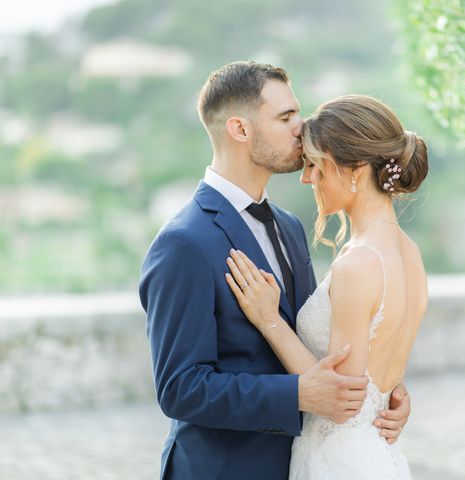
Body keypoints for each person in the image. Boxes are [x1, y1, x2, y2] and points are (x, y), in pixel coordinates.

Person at [139, 62, 411, 480]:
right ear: (240, 130)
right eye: (285, 118)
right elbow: (180, 388)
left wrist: (382, 392)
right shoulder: (184, 242)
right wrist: (299, 394)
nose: (301, 127)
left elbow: (319, 342)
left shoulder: (288, 226)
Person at [225, 94, 429, 479]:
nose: (307, 178)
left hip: (340, 462)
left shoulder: (359, 263)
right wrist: (392, 393)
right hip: (375, 454)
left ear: (353, 169)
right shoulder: (410, 253)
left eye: (315, 166)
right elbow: (374, 370)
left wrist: (270, 321)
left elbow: (341, 398)